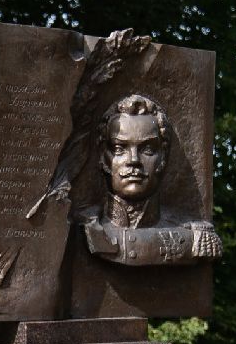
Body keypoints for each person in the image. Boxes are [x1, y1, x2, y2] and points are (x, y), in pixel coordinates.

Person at [81, 93, 221, 265]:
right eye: (120, 148)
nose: (134, 160)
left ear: (163, 158)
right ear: (104, 157)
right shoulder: (84, 227)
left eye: (147, 149)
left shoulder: (195, 239)